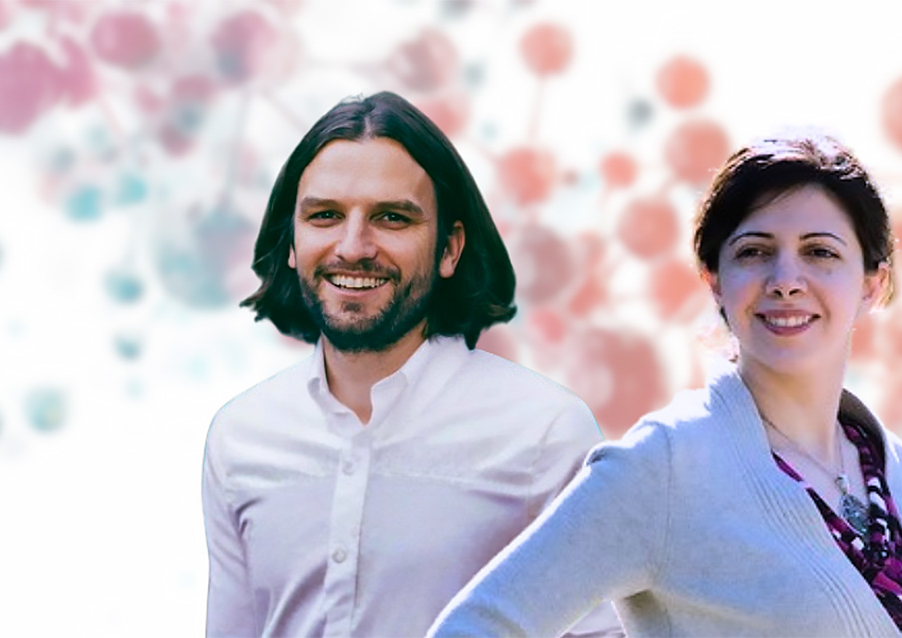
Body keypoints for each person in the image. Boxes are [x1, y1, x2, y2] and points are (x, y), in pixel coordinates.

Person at [428, 131, 902, 637]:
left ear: (873, 284)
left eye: (820, 251)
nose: (786, 280)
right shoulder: (666, 464)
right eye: (754, 251)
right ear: (714, 280)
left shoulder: (889, 462)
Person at [201, 91, 620, 637]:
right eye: (325, 216)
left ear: (449, 249)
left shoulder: (544, 433)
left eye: (391, 218)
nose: (353, 246)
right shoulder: (240, 437)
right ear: (292, 243)